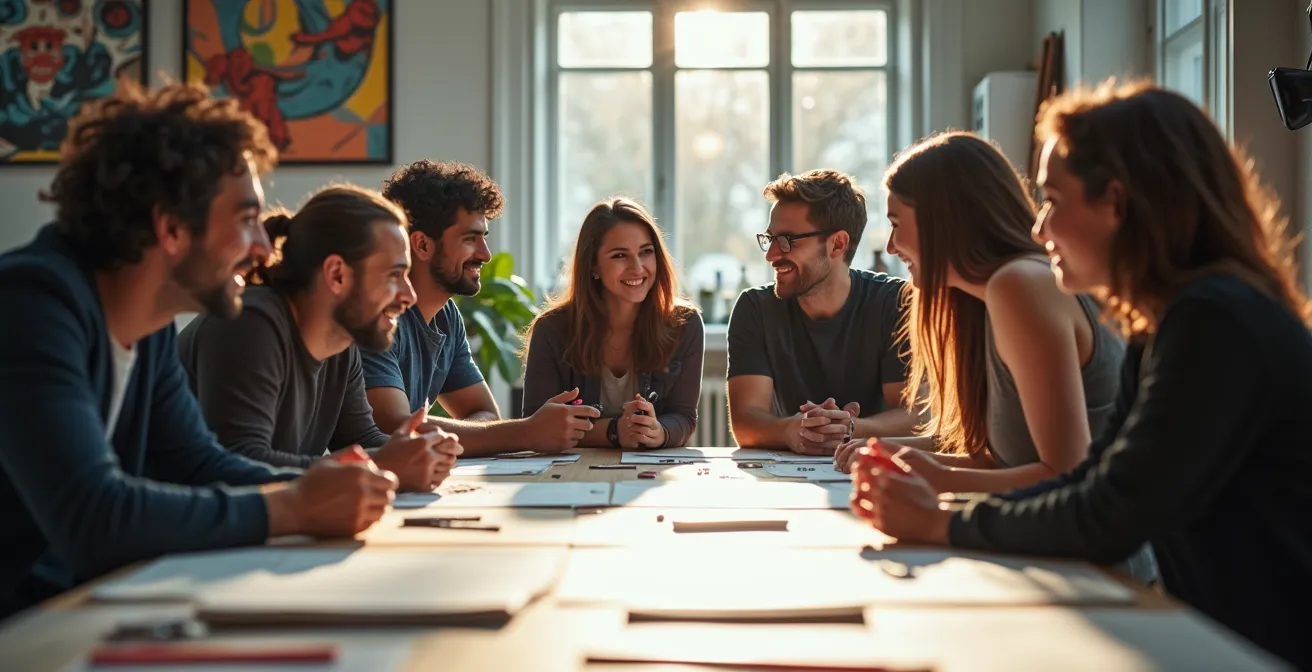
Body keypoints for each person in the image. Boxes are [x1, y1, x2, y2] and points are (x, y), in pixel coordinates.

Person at [851, 81, 1312, 670]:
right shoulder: (1174, 321)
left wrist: (942, 523)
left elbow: (1109, 514)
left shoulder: (1214, 319)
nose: (1040, 228)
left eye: (1053, 201)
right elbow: (1094, 479)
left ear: (1115, 203)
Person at [0, 82, 397, 619]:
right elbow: (93, 518)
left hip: (75, 609)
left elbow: (198, 463)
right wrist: (295, 505)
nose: (263, 245)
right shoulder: (31, 305)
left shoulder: (149, 327)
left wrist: (336, 489)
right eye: (245, 219)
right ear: (170, 228)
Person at [833, 132, 1125, 497]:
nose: (891, 246)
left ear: (943, 219)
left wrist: (932, 479)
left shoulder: (1019, 284)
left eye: (896, 223)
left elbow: (1066, 475)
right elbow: (1005, 463)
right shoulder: (991, 298)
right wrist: (899, 456)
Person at [178, 184, 460, 492]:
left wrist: (418, 452)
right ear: (337, 274)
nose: (409, 295)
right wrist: (383, 465)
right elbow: (240, 462)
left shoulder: (341, 341)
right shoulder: (249, 323)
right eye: (394, 276)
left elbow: (363, 440)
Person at [368, 160, 601, 454]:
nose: (486, 254)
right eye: (470, 239)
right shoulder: (377, 315)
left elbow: (484, 414)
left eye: (483, 238)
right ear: (423, 245)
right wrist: (527, 432)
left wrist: (513, 433)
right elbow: (398, 427)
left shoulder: (446, 317)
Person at [727, 169, 913, 455]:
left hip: (875, 466)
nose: (771, 255)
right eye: (770, 239)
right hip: (787, 476)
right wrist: (791, 430)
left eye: (787, 240)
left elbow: (915, 416)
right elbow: (745, 422)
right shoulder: (755, 308)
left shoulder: (896, 302)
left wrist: (851, 427)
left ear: (838, 243)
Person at [521, 197, 703, 449]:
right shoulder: (551, 329)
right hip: (570, 476)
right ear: (593, 266)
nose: (637, 267)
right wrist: (614, 431)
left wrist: (658, 432)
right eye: (620, 256)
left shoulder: (685, 324)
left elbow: (684, 417)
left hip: (650, 476)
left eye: (646, 252)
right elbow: (534, 425)